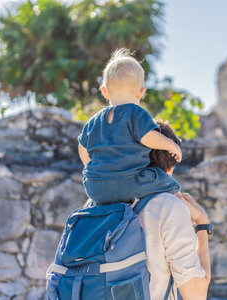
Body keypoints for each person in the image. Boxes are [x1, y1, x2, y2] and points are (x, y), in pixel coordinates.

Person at [77, 48, 182, 204]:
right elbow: (149, 138)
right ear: (141, 92)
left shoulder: (93, 121)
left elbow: (82, 148)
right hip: (129, 184)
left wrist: (96, 168)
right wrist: (171, 145)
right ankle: (179, 201)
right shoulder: (136, 113)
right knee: (164, 179)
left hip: (95, 188)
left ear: (105, 92)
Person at [140, 120, 211, 300]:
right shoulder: (168, 207)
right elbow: (196, 295)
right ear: (171, 165)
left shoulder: (97, 201)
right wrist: (202, 223)